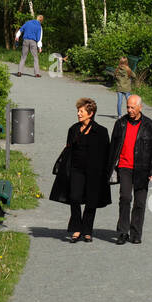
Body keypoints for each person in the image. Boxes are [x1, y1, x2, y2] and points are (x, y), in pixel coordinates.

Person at [49, 97, 111, 243]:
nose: (78, 113)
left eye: (81, 111)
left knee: (91, 201)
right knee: (75, 198)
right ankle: (77, 228)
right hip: (76, 169)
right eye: (78, 111)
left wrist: (105, 173)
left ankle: (87, 230)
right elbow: (68, 148)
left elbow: (106, 153)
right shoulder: (73, 129)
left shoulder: (101, 131)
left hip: (94, 172)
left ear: (90, 113)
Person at [108, 94, 152, 245]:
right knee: (125, 198)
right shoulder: (120, 124)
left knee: (140, 202)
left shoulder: (150, 125)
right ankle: (123, 232)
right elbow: (113, 147)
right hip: (124, 166)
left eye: (132, 107)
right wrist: (110, 167)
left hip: (142, 168)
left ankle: (136, 233)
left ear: (140, 107)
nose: (129, 110)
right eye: (128, 107)